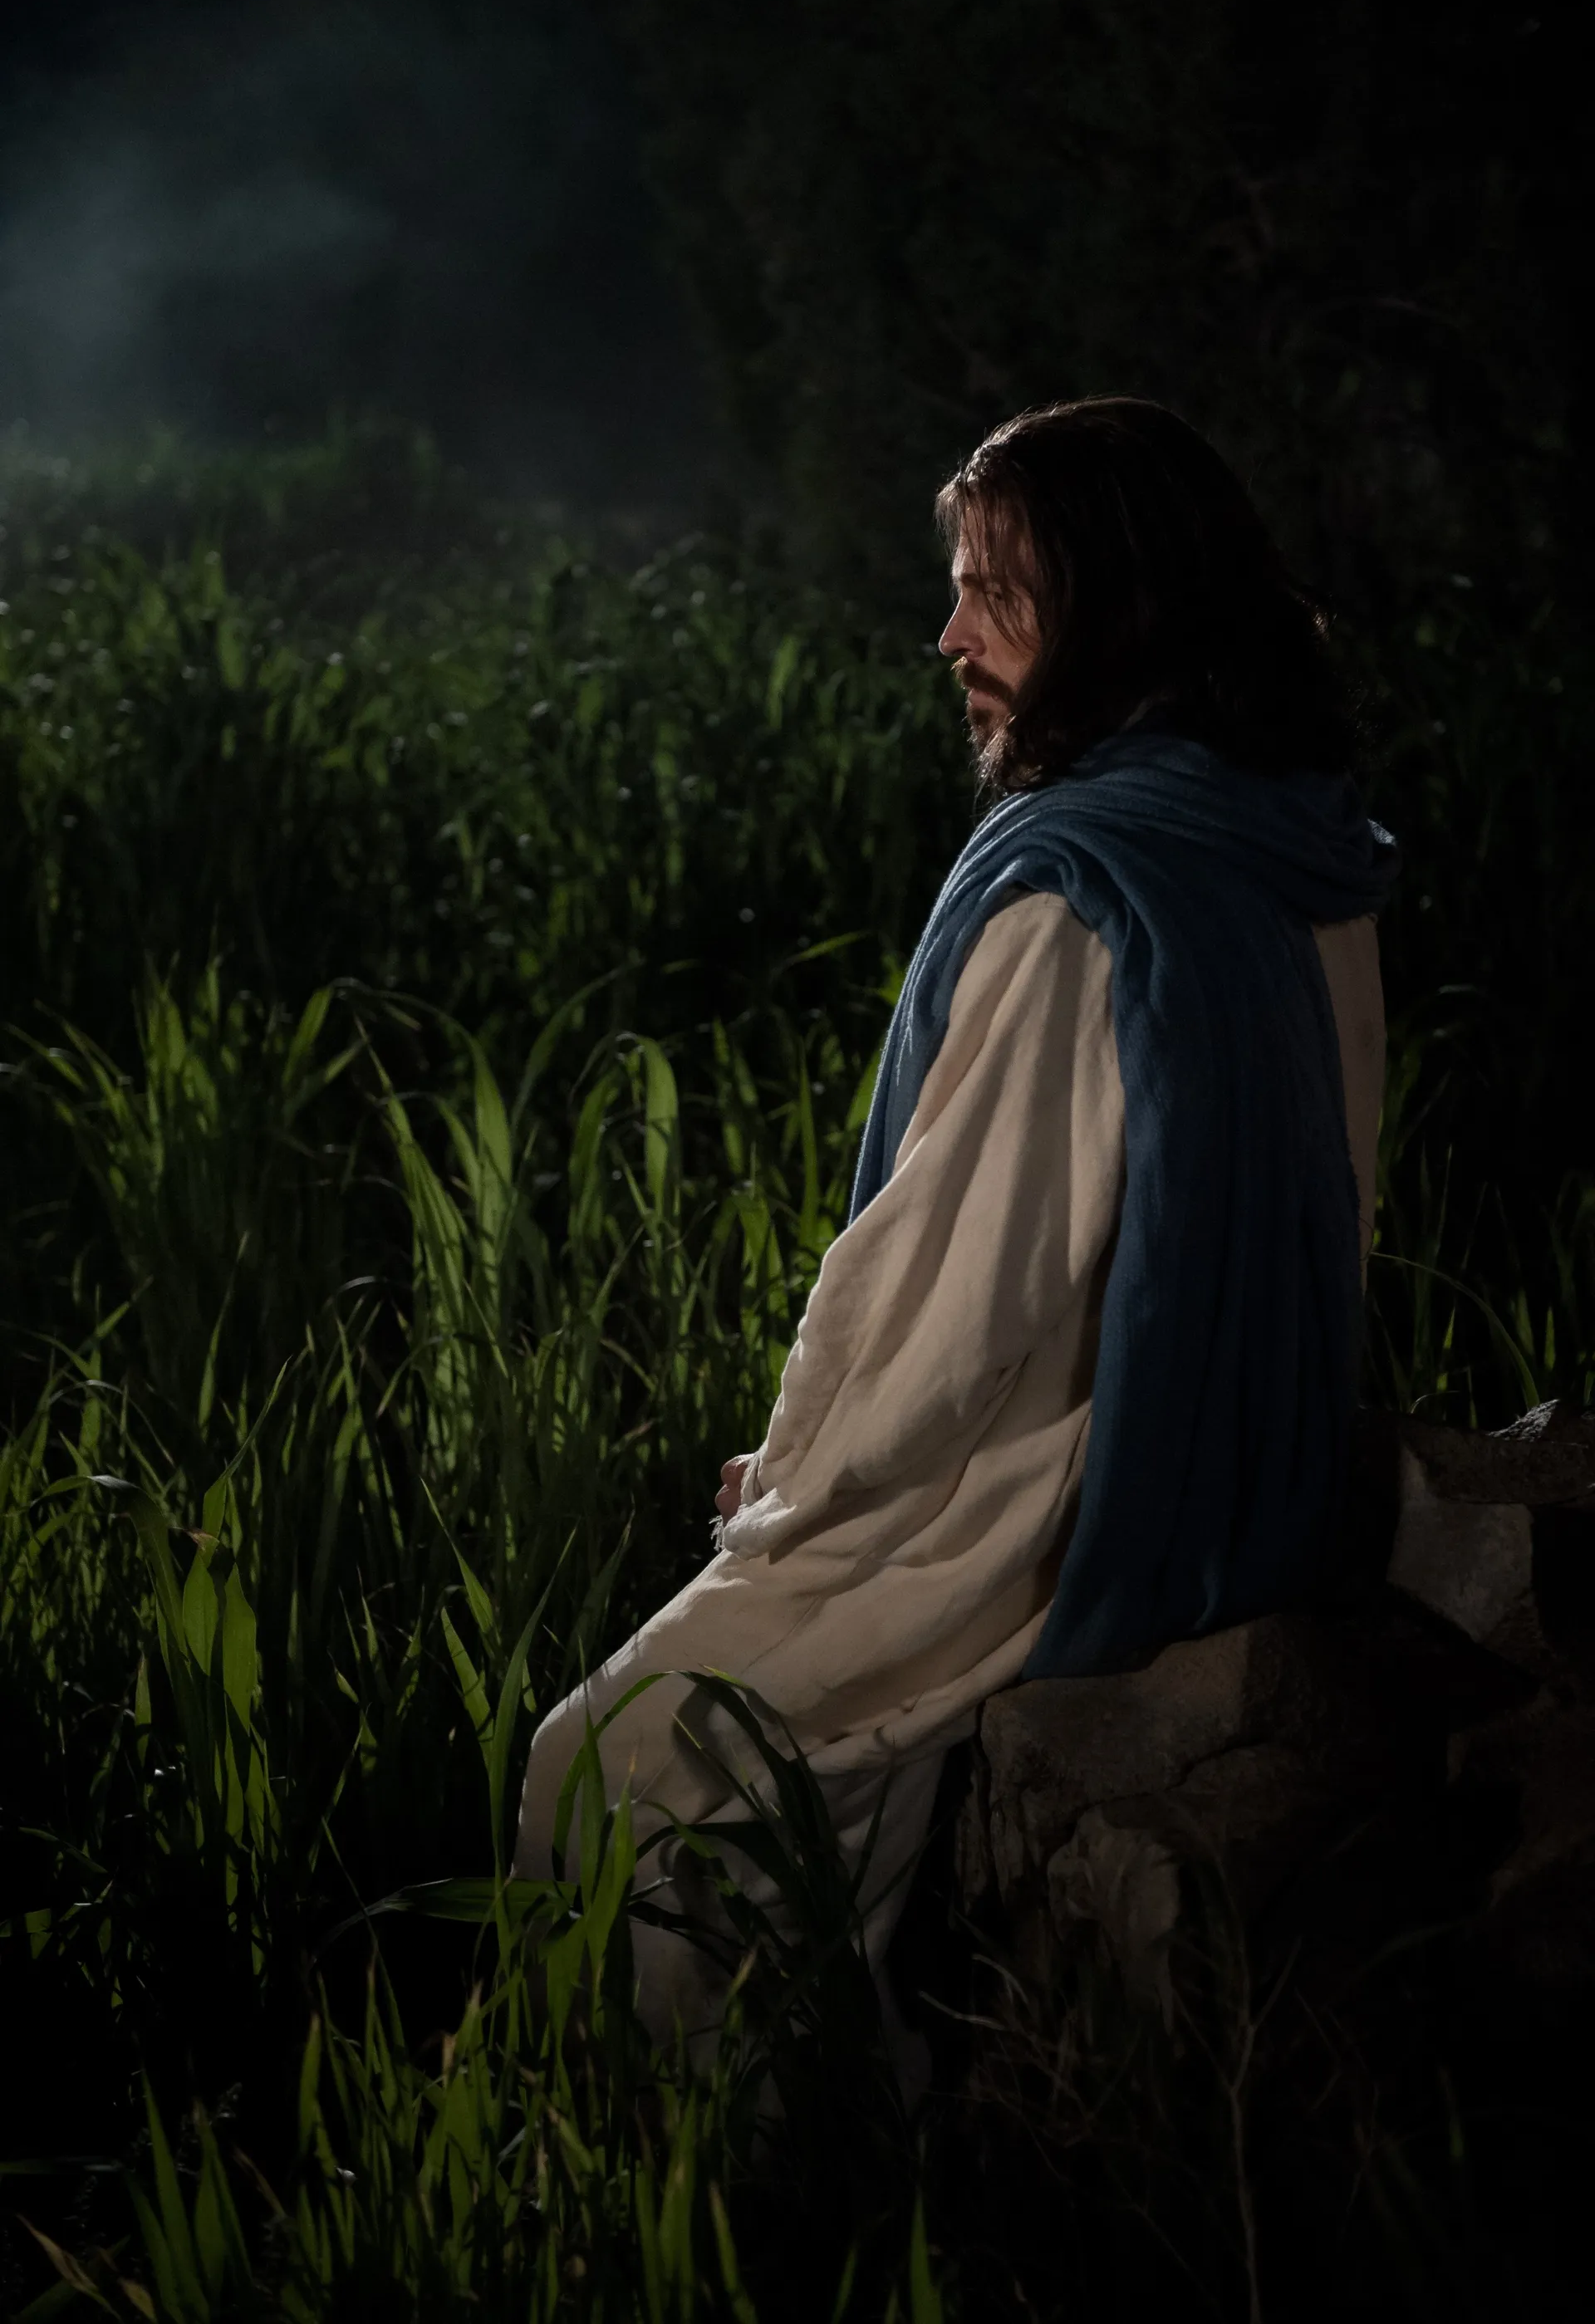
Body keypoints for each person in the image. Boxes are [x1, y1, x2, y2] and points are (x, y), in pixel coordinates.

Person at [513, 395, 1396, 2086]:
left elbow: (954, 1304)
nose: (951, 636)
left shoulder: (1083, 897)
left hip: (1065, 1480)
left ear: (1121, 611)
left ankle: (760, 2159)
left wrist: (793, 1471)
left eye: (997, 593)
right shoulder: (1287, 840)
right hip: (1247, 1438)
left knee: (612, 1757)